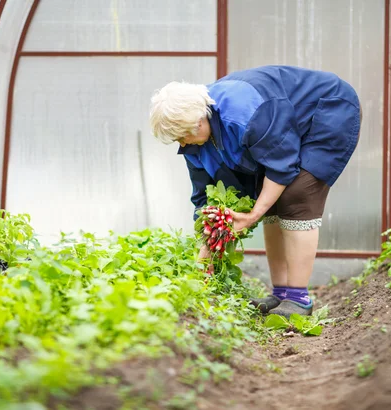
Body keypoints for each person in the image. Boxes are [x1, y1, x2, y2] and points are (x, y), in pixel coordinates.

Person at [149, 65, 361, 318]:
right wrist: (205, 251)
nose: (182, 144)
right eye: (177, 140)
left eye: (183, 136)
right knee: (269, 198)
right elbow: (204, 198)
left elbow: (281, 165)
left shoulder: (244, 113)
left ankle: (298, 298)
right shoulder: (195, 141)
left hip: (327, 113)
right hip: (285, 127)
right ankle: (280, 293)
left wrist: (252, 215)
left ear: (198, 121)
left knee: (297, 195)